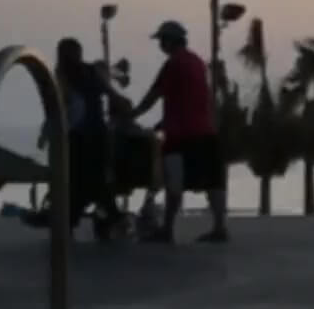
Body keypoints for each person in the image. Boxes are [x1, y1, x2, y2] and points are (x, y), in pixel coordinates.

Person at [124, 19, 229, 243]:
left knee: (174, 181)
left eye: (162, 40)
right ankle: (220, 227)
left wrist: (130, 116)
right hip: (205, 130)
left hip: (180, 135)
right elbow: (192, 97)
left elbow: (153, 95)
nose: (160, 45)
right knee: (213, 181)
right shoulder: (197, 62)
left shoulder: (173, 64)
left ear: (170, 41)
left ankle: (167, 229)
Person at [49, 37, 120, 240]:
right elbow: (110, 93)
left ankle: (83, 219)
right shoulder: (87, 72)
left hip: (81, 134)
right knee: (89, 179)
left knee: (80, 179)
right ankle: (105, 216)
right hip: (91, 133)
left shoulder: (66, 73)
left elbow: (62, 99)